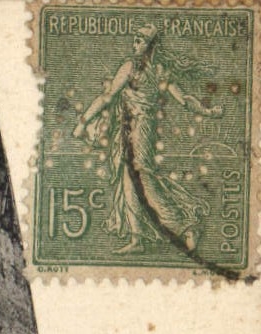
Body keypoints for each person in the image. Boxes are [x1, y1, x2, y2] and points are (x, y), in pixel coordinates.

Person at [73, 22, 222, 253]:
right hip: (126, 128)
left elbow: (183, 99)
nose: (135, 44)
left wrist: (207, 111)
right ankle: (137, 238)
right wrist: (84, 122)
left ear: (151, 45)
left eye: (140, 40)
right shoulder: (132, 67)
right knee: (128, 180)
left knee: (144, 179)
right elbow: (108, 96)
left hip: (141, 129)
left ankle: (185, 227)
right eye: (135, 39)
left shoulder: (153, 69)